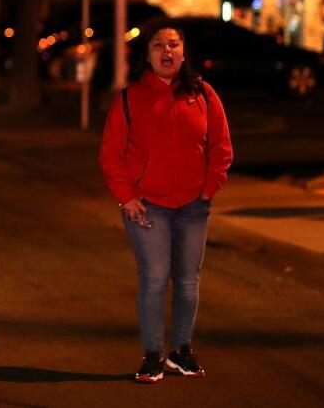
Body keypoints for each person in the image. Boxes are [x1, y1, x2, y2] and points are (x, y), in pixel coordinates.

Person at [99, 25, 233, 383]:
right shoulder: (129, 98)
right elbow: (111, 153)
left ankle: (181, 352)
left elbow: (221, 144)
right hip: (147, 206)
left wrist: (210, 187)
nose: (167, 50)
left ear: (184, 52)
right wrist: (126, 196)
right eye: (158, 45)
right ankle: (153, 355)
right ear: (148, 55)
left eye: (173, 44)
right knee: (156, 279)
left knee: (188, 281)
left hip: (194, 204)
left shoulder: (203, 94)